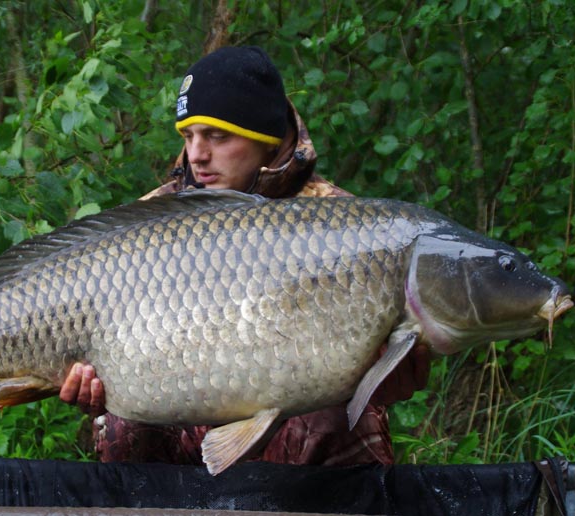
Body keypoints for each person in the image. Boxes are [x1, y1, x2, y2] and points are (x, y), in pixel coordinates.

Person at [60, 46, 431, 466]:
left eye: (217, 136)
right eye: (188, 136)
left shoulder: (341, 227)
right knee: (124, 419)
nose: (196, 155)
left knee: (333, 415)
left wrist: (387, 379)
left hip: (292, 418)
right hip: (177, 395)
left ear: (266, 139)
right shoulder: (149, 220)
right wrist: (90, 386)